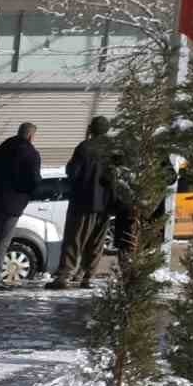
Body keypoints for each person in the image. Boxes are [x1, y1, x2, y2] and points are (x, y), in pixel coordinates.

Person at [48, 116, 116, 290]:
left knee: (74, 239)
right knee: (96, 242)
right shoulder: (114, 150)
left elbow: (72, 171)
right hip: (105, 204)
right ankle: (87, 276)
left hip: (82, 202)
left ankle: (64, 275)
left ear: (91, 129)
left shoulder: (85, 147)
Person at [0, 122, 42, 290]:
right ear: (30, 136)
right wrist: (24, 193)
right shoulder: (31, 154)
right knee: (3, 242)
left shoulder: (0, 150)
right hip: (13, 205)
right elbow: (34, 182)